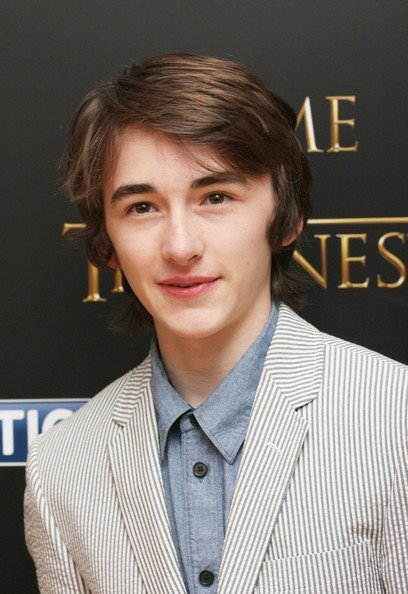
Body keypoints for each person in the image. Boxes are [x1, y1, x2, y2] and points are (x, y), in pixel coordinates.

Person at [24, 53, 407, 594]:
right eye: (141, 207)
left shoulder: (395, 420)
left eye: (216, 197)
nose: (180, 246)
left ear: (287, 218)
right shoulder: (60, 467)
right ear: (107, 242)